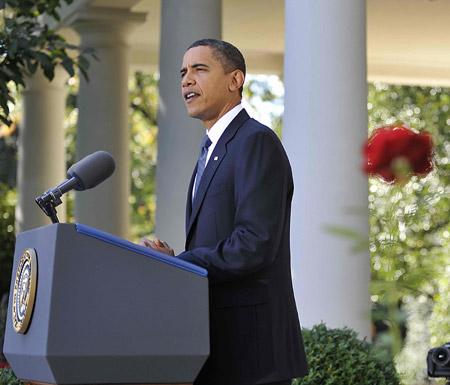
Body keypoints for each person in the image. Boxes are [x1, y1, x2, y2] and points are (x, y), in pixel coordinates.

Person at [143, 39, 308, 385]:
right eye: (183, 72)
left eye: (200, 69)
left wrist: (180, 263)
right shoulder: (210, 151)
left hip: (253, 353)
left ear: (235, 80)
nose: (187, 80)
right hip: (217, 347)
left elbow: (254, 243)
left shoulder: (254, 142)